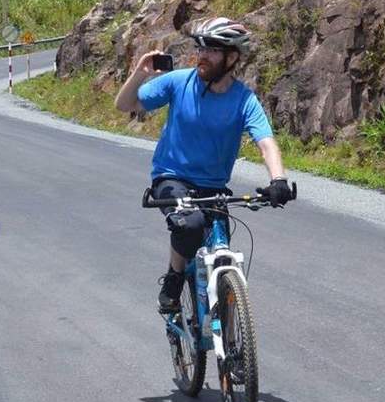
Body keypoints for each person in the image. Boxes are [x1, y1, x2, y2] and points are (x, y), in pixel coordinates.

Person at [114, 17, 295, 313]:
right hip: (172, 178)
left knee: (220, 238)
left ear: (232, 57)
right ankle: (173, 280)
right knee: (190, 224)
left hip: (213, 187)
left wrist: (278, 180)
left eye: (212, 50)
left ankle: (226, 328)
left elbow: (266, 143)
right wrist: (139, 73)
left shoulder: (244, 100)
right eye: (201, 48)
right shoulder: (178, 82)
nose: (202, 55)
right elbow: (125, 105)